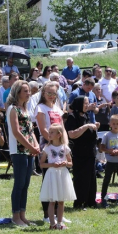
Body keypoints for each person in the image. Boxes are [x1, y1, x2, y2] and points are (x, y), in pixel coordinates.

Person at [6, 80, 40, 227]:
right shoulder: (13, 109)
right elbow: (16, 132)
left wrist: (36, 145)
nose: (29, 93)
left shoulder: (26, 109)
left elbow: (31, 130)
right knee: (19, 183)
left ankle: (22, 215)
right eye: (25, 91)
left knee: (26, 183)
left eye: (29, 91)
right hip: (18, 150)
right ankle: (15, 216)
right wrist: (30, 147)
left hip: (29, 150)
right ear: (18, 92)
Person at [35, 82, 64, 223]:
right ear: (43, 93)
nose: (52, 96)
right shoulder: (40, 108)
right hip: (47, 146)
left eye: (54, 94)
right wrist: (53, 144)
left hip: (60, 146)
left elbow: (62, 129)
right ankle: (47, 214)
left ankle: (59, 214)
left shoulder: (58, 108)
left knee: (60, 179)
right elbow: (43, 129)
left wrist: (63, 144)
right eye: (49, 93)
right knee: (48, 179)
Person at [39, 123, 76, 230]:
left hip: (62, 175)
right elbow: (41, 164)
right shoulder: (47, 148)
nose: (49, 134)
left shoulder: (65, 148)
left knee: (61, 200)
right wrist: (52, 165)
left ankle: (59, 223)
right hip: (52, 175)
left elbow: (70, 163)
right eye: (49, 132)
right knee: (52, 200)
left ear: (59, 134)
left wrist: (64, 163)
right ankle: (52, 224)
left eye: (51, 132)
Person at [65, 96, 98, 210]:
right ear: (79, 104)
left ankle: (90, 201)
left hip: (90, 151)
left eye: (87, 103)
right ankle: (79, 202)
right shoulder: (72, 117)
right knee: (81, 178)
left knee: (91, 177)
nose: (87, 105)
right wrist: (87, 126)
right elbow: (72, 134)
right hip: (79, 152)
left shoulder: (86, 115)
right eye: (85, 103)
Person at [100, 114, 118, 207]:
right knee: (106, 179)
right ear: (110, 124)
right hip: (110, 161)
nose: (115, 125)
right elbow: (102, 148)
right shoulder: (107, 135)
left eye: (117, 124)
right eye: (113, 123)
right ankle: (103, 199)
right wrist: (110, 151)